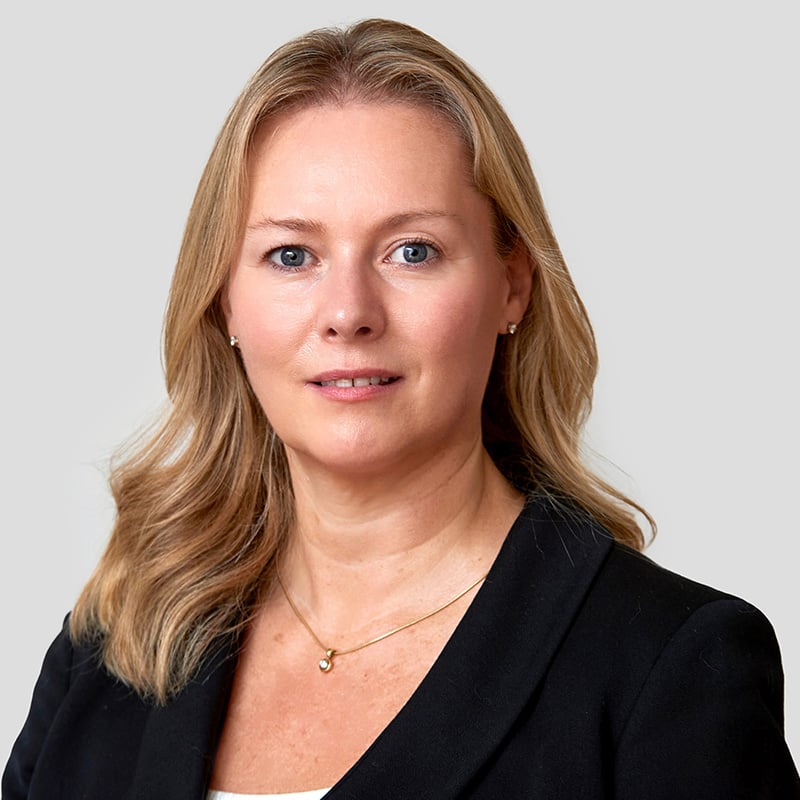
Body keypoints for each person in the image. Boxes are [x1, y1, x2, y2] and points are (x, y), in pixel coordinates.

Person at [3, 18, 798, 800]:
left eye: (412, 251)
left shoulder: (670, 668)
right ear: (225, 302)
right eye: (291, 255)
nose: (348, 313)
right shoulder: (109, 652)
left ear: (512, 285)